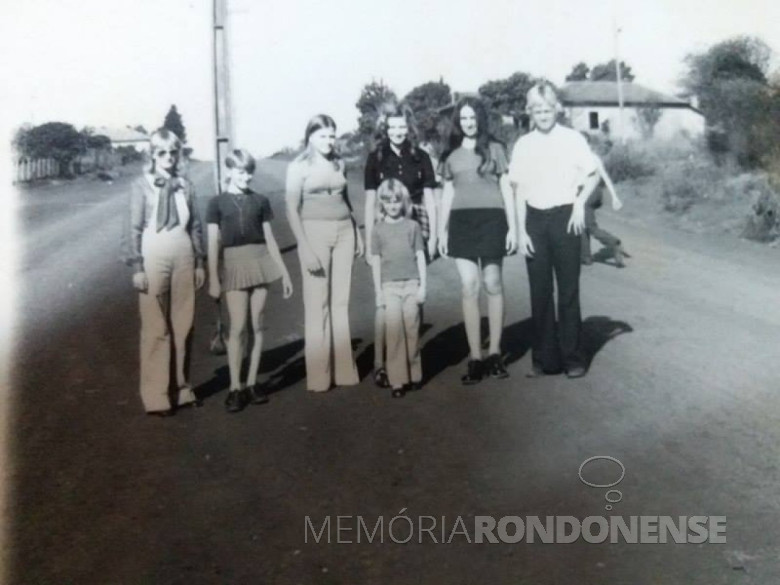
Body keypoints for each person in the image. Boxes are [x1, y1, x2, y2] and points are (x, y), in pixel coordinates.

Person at [509, 81, 601, 379]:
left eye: (548, 109)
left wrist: (578, 205)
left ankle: (573, 357)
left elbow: (593, 175)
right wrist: (522, 232)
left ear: (556, 109)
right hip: (535, 221)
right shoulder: (523, 144)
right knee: (540, 291)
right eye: (537, 109)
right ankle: (544, 358)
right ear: (530, 112)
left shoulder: (572, 139)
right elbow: (519, 190)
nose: (543, 114)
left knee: (569, 290)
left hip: (565, 218)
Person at [121, 128, 206, 416]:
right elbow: (132, 229)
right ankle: (157, 396)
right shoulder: (141, 185)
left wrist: (199, 262)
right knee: (156, 328)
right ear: (152, 155)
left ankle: (181, 389)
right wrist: (136, 266)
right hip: (153, 257)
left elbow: (195, 226)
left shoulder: (186, 185)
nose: (168, 157)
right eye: (162, 152)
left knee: (183, 325)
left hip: (183, 255)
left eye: (173, 152)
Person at [206, 149, 293, 413]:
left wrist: (284, 272)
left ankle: (253, 383)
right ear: (229, 171)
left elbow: (270, 239)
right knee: (238, 328)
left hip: (261, 262)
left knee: (258, 325)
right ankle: (235, 387)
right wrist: (213, 277)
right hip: (233, 264)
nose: (246, 176)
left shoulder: (261, 201)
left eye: (249, 171)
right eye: (241, 171)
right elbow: (212, 243)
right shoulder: (216, 203)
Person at [438, 97, 517, 385]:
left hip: (493, 220)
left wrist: (513, 229)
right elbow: (447, 193)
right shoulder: (450, 154)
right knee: (469, 286)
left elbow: (507, 188)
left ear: (480, 119)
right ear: (458, 121)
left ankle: (495, 353)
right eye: (464, 118)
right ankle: (475, 357)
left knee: (492, 283)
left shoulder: (495, 148)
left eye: (473, 118)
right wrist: (440, 232)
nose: (468, 123)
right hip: (462, 223)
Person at [286, 114, 363, 392]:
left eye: (332, 135)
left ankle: (344, 371)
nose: (328, 141)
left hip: (344, 231)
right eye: (322, 136)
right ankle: (319, 375)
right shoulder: (298, 167)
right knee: (318, 304)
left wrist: (357, 232)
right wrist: (304, 247)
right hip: (314, 233)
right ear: (310, 137)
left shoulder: (339, 162)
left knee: (341, 303)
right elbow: (291, 209)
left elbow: (346, 200)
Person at [364, 103, 437, 389]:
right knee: (385, 300)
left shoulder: (420, 157)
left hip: (415, 222)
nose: (397, 132)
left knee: (415, 291)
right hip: (386, 225)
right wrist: (370, 242)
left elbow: (430, 196)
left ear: (409, 129)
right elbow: (371, 201)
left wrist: (435, 235)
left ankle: (410, 360)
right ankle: (382, 364)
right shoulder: (376, 158)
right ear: (385, 129)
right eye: (392, 127)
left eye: (402, 127)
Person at [370, 179, 427, 398]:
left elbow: (420, 256)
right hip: (389, 287)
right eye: (387, 201)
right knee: (394, 332)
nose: (393, 205)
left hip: (411, 284)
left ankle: (414, 374)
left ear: (403, 202)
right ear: (381, 204)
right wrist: (378, 293)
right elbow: (376, 261)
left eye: (396, 201)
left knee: (412, 329)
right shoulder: (378, 230)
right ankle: (397, 380)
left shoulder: (412, 226)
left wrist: (423, 286)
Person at [581, 159, 627, 267]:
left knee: (589, 225)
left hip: (587, 192)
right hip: (595, 191)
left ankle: (614, 243)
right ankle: (585, 256)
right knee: (582, 224)